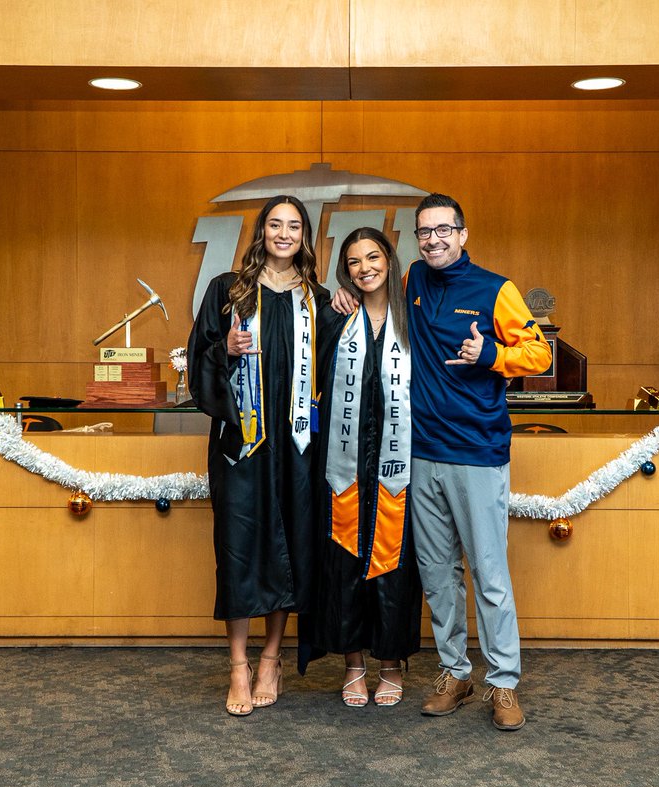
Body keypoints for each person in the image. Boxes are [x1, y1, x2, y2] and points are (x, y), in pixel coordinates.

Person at [332, 193, 551, 730]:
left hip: (477, 453)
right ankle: (455, 672)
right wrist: (341, 295)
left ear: (463, 233)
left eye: (443, 230)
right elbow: (372, 298)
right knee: (437, 575)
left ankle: (503, 683)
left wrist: (493, 355)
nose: (433, 239)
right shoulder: (413, 281)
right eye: (424, 231)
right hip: (418, 455)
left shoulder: (496, 289)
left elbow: (540, 354)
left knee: (489, 576)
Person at [187, 195, 328, 716]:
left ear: (305, 236)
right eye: (275, 224)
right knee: (240, 547)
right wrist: (223, 349)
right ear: (261, 232)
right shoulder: (228, 290)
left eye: (294, 226)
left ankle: (272, 658)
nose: (284, 233)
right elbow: (198, 360)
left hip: (297, 447)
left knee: (291, 541)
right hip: (241, 445)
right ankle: (238, 665)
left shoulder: (318, 298)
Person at [310, 228, 423, 708]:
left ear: (390, 259)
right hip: (344, 460)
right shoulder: (337, 318)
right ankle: (354, 664)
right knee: (346, 559)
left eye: (372, 257)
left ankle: (391, 664)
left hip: (400, 460)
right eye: (353, 262)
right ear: (344, 270)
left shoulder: (412, 317)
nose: (364, 268)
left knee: (396, 563)